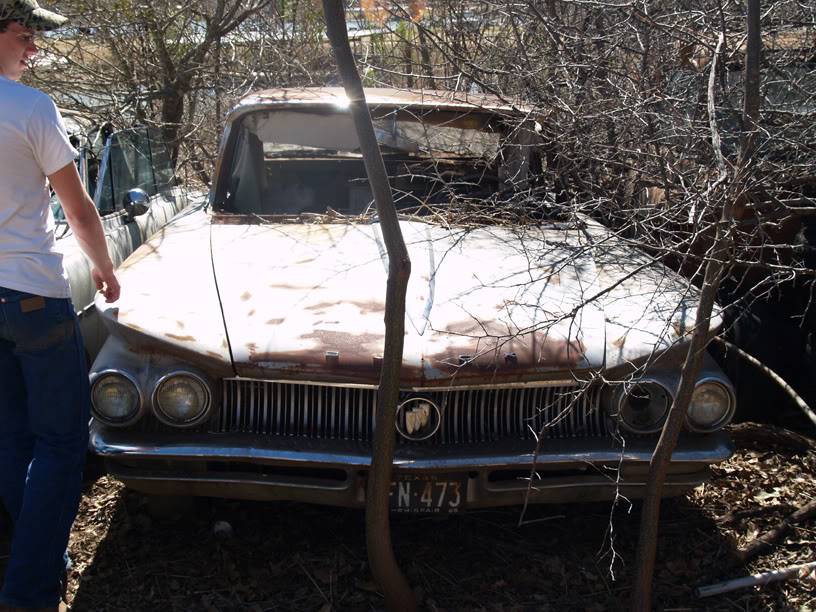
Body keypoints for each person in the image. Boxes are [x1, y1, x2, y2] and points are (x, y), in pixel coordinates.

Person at [0, 1, 120, 610]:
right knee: (62, 442)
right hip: (32, 298)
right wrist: (102, 267)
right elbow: (77, 208)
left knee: (12, 434)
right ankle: (29, 590)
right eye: (24, 36)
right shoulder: (28, 108)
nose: (34, 49)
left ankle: (40, 556)